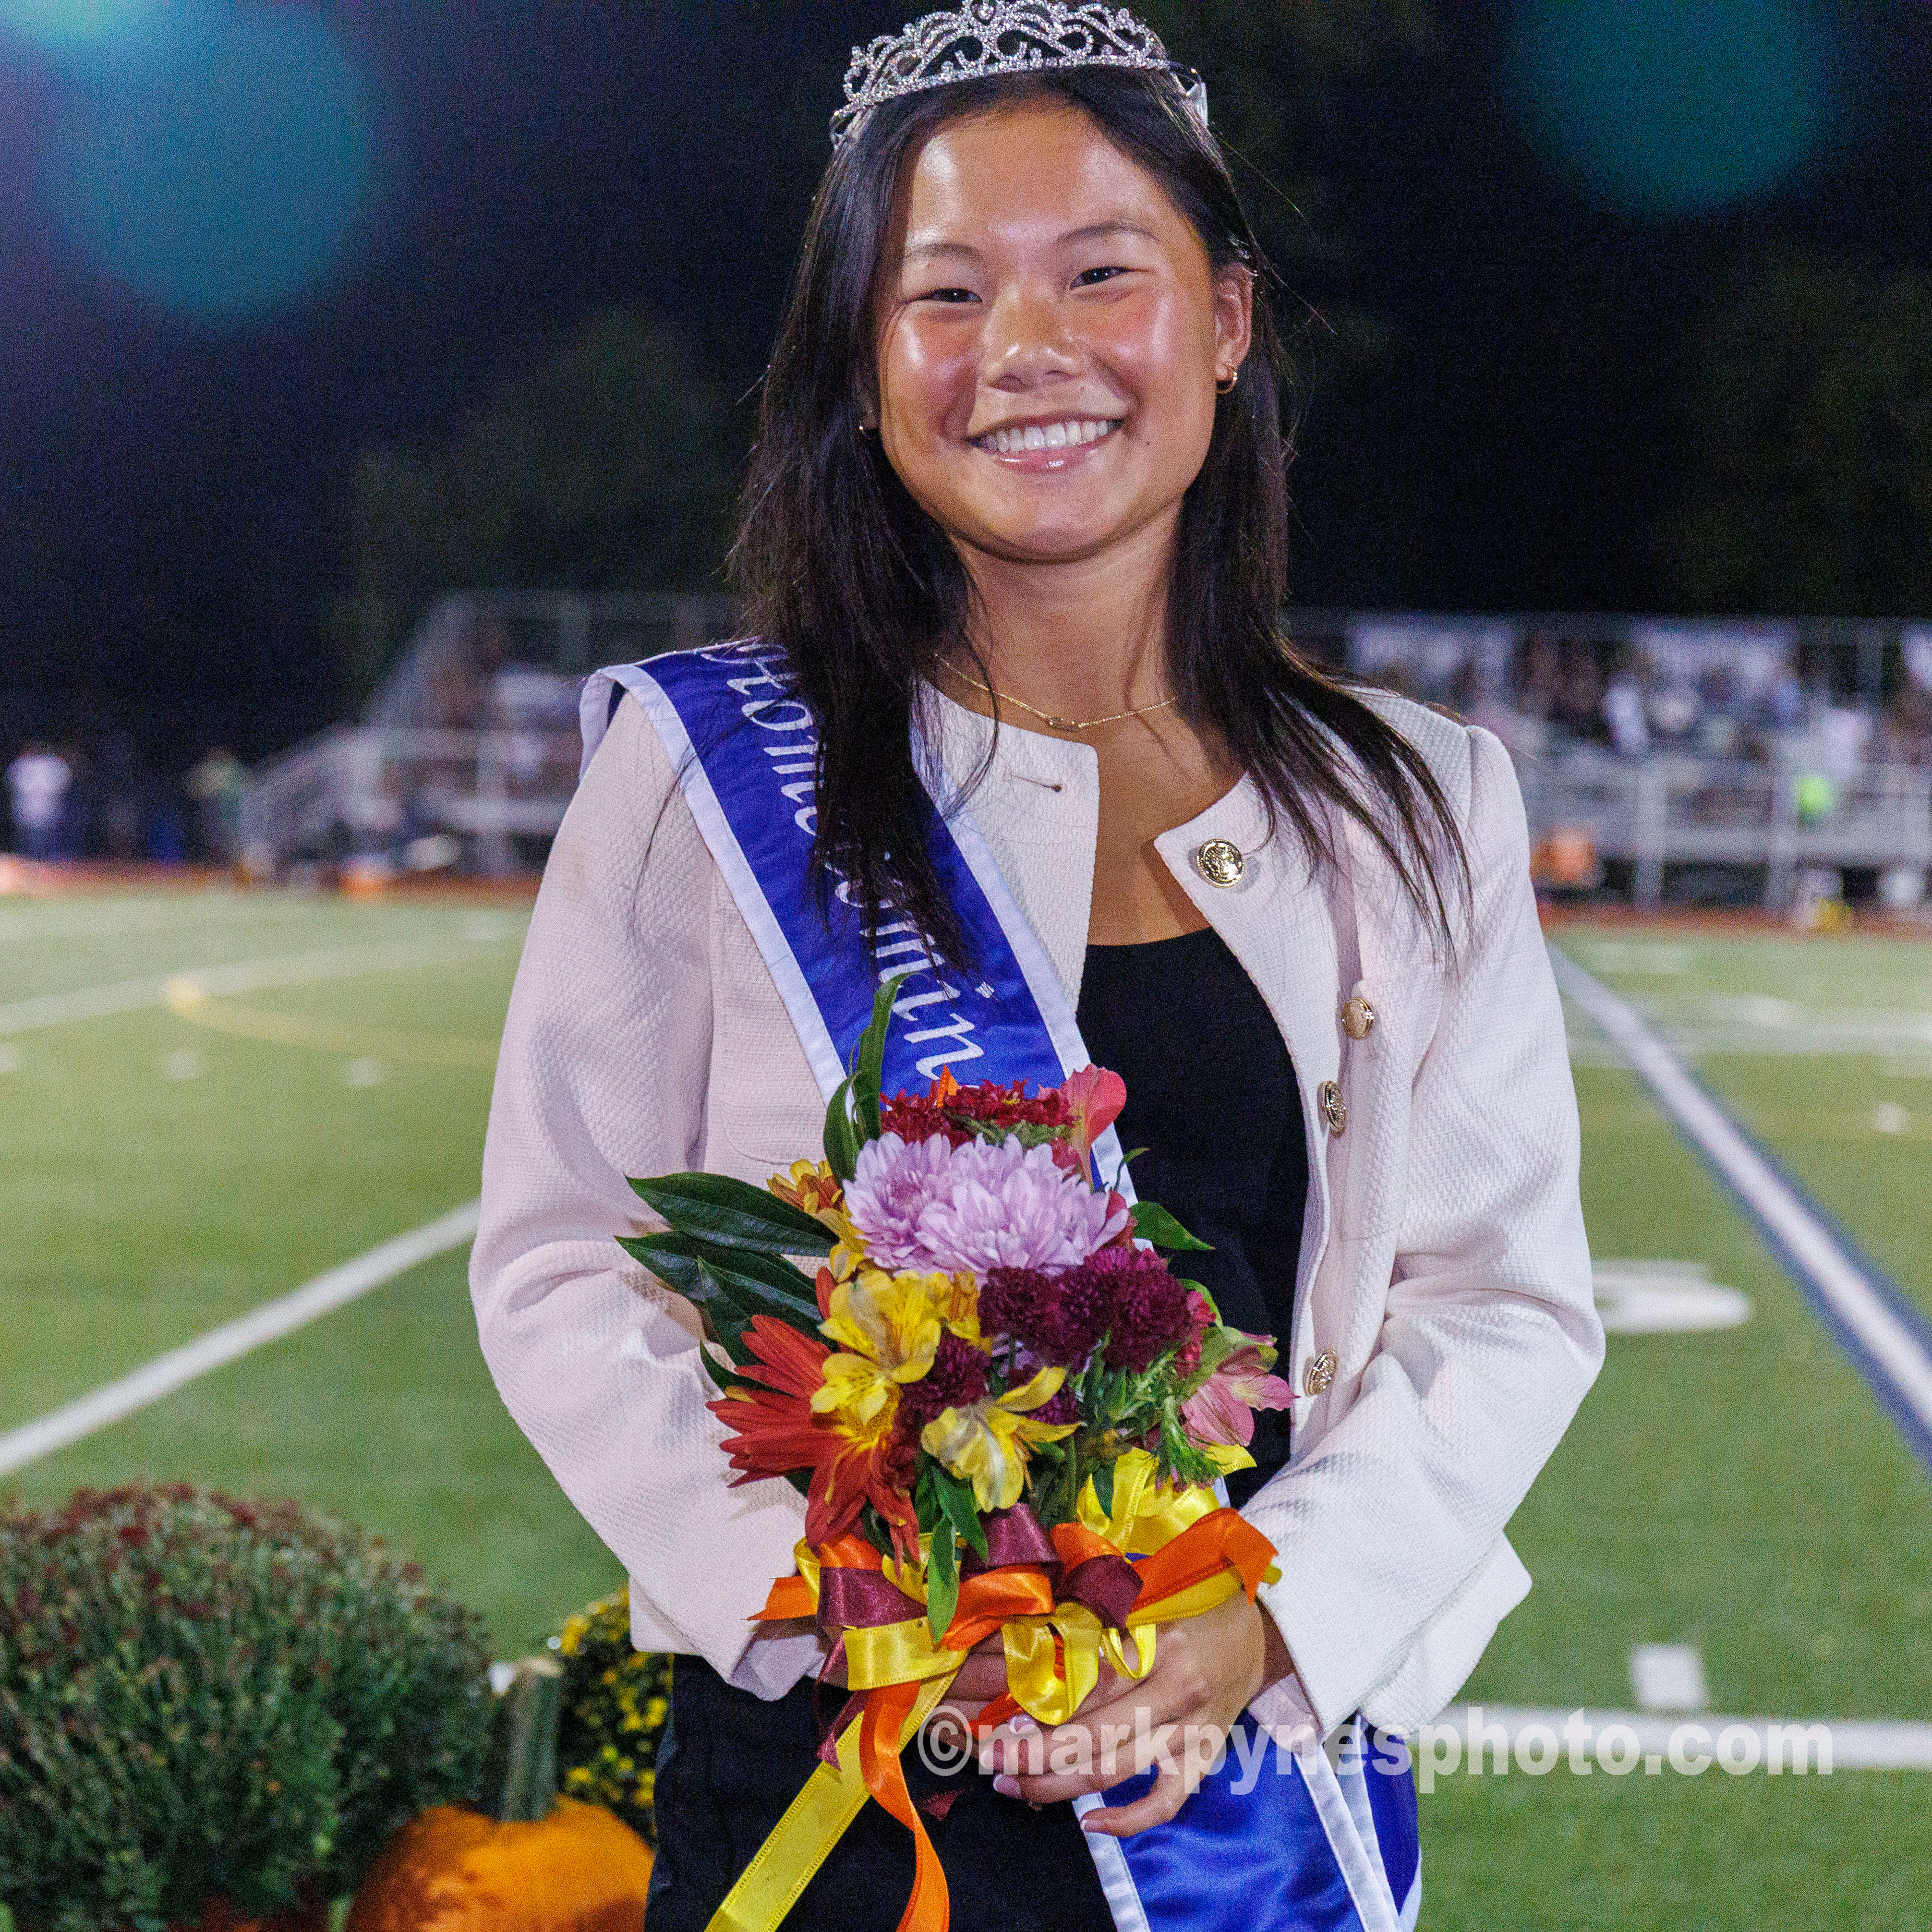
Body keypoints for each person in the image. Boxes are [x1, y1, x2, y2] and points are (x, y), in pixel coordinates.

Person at [471, 8, 1600, 1928]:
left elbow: (1502, 1305)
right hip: (841, 1788)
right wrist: (846, 1604)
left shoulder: (1424, 803)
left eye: (1099, 273)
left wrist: (1261, 1625)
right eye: (944, 292)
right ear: (862, 364)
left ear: (1224, 322)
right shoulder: (701, 773)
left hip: (1250, 1786)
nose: (1024, 348)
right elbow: (567, 1264)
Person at [6, 744, 72, 862]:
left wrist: (44, 789)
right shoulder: (23, 763)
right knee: (26, 843)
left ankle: (46, 864)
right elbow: (16, 783)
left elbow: (62, 782)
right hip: (26, 809)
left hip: (48, 809)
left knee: (47, 843)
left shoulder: (53, 763)